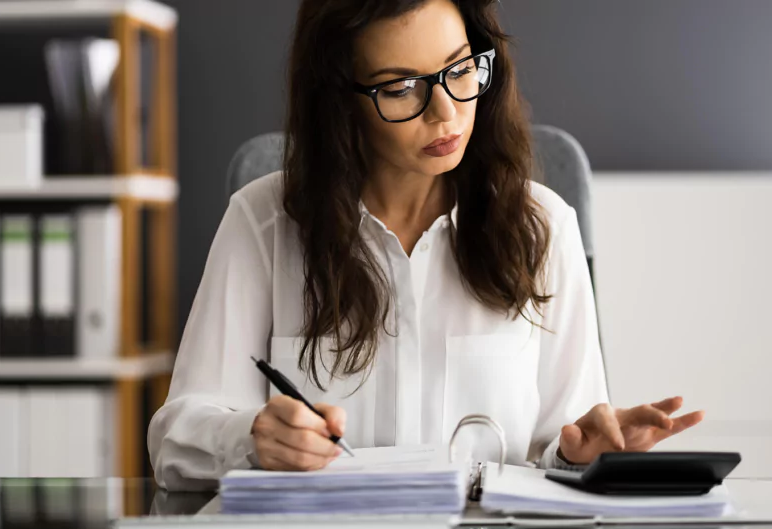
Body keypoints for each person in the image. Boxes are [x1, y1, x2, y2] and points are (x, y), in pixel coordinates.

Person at [148, 0, 704, 491]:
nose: (445, 112)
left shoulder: (545, 228)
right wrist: (251, 437)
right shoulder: (263, 221)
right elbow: (174, 441)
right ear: (340, 102)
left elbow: (557, 451)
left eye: (460, 70)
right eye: (399, 87)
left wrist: (578, 454)